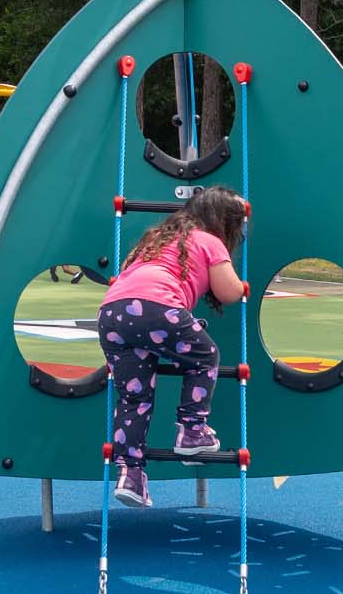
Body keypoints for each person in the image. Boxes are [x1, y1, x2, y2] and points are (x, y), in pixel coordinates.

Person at [97, 186, 250, 510]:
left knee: (134, 398)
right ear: (221, 223)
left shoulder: (155, 241)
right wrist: (242, 287)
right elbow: (227, 292)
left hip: (112, 315)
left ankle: (132, 475)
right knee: (204, 357)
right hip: (156, 311)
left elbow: (139, 281)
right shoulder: (209, 242)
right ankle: (192, 430)